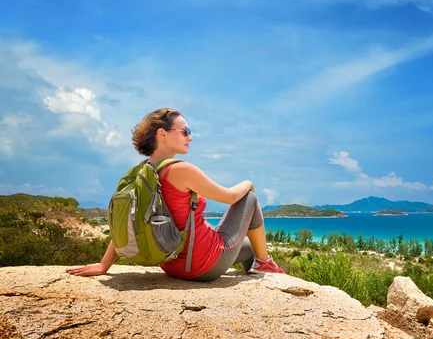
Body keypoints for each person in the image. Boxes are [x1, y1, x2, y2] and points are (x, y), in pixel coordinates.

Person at [67, 107, 284, 280]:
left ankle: (259, 262)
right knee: (250, 198)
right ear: (163, 134)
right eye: (185, 131)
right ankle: (264, 263)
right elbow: (230, 197)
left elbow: (129, 220)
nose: (190, 137)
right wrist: (249, 182)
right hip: (204, 265)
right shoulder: (181, 169)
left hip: (171, 266)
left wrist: (105, 265)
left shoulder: (140, 174)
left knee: (246, 249)